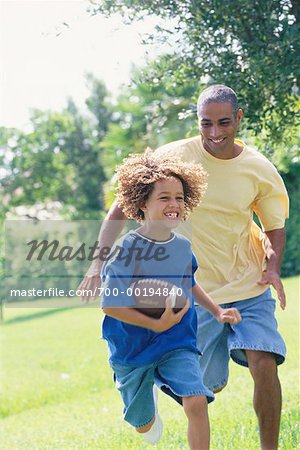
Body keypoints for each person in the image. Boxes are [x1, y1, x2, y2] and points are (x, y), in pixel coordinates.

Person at [79, 85, 289, 450]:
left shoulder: (258, 168)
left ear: (239, 118)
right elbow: (120, 208)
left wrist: (272, 268)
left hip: (249, 284)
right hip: (196, 293)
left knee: (263, 360)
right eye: (206, 123)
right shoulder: (175, 155)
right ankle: (158, 374)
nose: (214, 133)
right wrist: (97, 264)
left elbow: (275, 227)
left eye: (224, 122)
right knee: (208, 385)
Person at [100, 152, 241, 449]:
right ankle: (146, 393)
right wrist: (155, 320)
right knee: (144, 427)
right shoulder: (127, 250)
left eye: (179, 197)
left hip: (177, 339)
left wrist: (216, 312)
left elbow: (188, 283)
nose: (174, 204)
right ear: (141, 204)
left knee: (196, 401)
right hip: (132, 348)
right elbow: (110, 304)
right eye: (164, 198)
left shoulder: (181, 246)